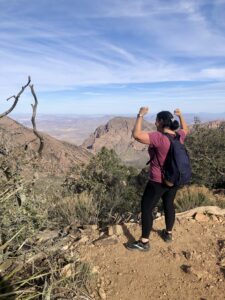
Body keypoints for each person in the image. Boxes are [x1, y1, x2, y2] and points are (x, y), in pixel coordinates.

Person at [127, 107, 188, 251]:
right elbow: (186, 129)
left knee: (146, 208)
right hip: (174, 180)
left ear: (161, 122)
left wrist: (140, 115)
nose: (155, 123)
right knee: (169, 205)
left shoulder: (158, 137)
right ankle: (168, 233)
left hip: (158, 181)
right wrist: (180, 116)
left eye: (156, 121)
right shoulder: (179, 136)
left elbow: (136, 135)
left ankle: (144, 242)